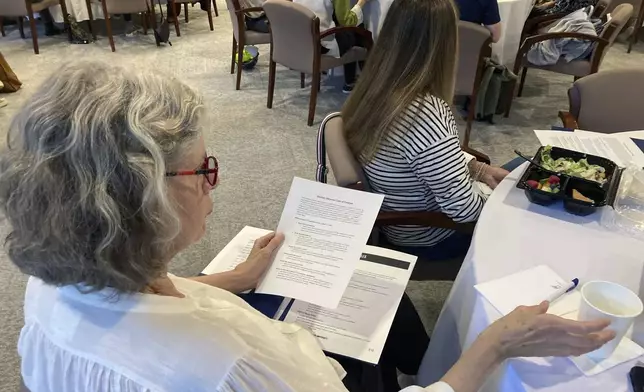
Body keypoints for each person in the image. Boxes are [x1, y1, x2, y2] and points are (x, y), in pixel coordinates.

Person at [2, 63, 614, 392]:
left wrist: (227, 278)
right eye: (204, 168)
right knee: (381, 308)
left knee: (372, 289)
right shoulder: (237, 368)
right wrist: (493, 346)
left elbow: (134, 304)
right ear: (145, 199)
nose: (215, 183)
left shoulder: (53, 284)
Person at [342, 0, 512, 260]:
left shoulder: (374, 88)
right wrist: (507, 206)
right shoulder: (426, 115)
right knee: (535, 200)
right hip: (432, 234)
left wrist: (478, 169)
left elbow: (420, 158)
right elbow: (464, 211)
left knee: (522, 173)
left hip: (399, 219)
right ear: (446, 43)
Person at [295, 0, 371, 93]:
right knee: (358, 29)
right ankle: (355, 82)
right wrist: (361, 3)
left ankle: (352, 80)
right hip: (323, 45)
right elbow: (348, 21)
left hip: (300, 40)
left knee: (347, 26)